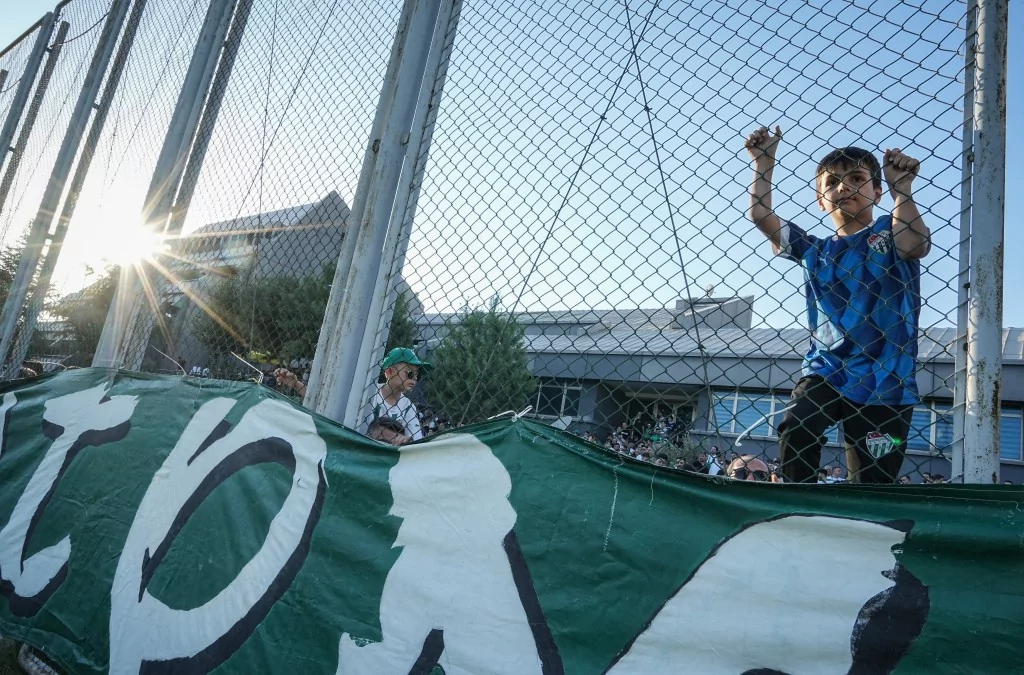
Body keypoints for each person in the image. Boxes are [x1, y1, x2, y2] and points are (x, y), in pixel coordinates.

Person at [744, 126, 930, 485]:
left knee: (873, 481)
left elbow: (915, 246)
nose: (843, 187)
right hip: (827, 369)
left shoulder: (890, 231)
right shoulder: (813, 249)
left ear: (877, 191)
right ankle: (798, 504)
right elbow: (760, 216)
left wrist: (902, 190)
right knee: (797, 425)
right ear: (820, 199)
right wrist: (764, 163)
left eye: (857, 178)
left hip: (885, 376)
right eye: (831, 183)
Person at [360, 347, 430, 442]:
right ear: (389, 372)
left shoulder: (408, 406)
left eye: (417, 376)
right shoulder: (371, 393)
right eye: (409, 373)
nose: (414, 378)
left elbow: (416, 439)